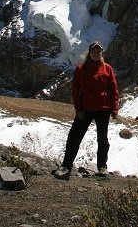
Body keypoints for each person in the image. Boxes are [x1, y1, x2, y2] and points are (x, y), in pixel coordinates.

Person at [53, 41, 119, 179]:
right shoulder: (81, 69)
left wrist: (114, 108)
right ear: (90, 53)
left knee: (102, 139)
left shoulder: (107, 69)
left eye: (98, 52)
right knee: (74, 137)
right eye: (94, 52)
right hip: (85, 108)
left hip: (103, 109)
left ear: (101, 53)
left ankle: (102, 167)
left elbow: (113, 89)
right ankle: (66, 165)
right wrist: (78, 108)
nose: (96, 54)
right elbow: (75, 90)